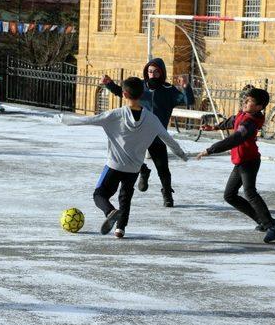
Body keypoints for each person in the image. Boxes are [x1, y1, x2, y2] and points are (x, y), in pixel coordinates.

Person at [59, 77, 189, 238]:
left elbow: (89, 119)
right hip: (134, 168)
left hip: (114, 165)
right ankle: (120, 229)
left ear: (124, 94)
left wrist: (63, 119)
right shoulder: (152, 119)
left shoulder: (115, 115)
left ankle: (110, 211)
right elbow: (168, 139)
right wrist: (182, 155)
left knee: (99, 195)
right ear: (142, 94)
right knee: (125, 197)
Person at [100, 58, 195, 207]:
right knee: (129, 157)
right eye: (150, 71)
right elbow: (123, 92)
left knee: (163, 168)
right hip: (137, 133)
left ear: (162, 73)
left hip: (157, 135)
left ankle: (167, 194)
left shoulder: (168, 91)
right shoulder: (140, 87)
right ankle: (143, 170)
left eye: (156, 72)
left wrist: (185, 86)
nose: (152, 74)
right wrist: (109, 84)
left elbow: (188, 100)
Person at [195, 88, 275, 243]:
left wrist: (210, 150)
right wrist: (215, 127)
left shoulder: (250, 123)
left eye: (249, 101)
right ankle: (263, 221)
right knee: (229, 195)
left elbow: (234, 139)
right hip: (241, 161)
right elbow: (232, 120)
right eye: (245, 99)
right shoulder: (244, 115)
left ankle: (272, 228)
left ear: (259, 107)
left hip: (249, 161)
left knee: (250, 192)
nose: (244, 102)